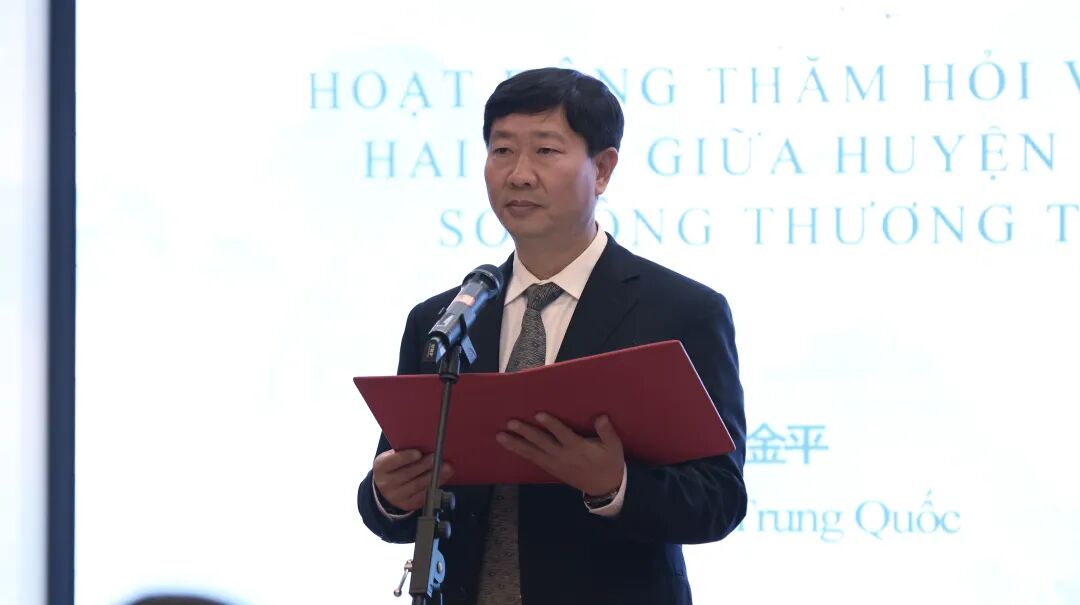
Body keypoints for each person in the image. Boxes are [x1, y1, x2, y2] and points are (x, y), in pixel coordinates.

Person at [357, 67, 746, 605]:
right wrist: (387, 496)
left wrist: (615, 484)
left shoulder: (680, 312)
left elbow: (719, 498)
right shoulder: (444, 319)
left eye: (545, 151)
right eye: (502, 151)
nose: (519, 174)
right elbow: (393, 503)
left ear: (602, 169)